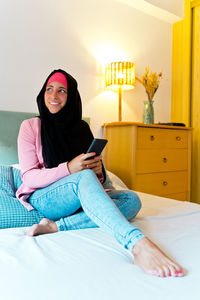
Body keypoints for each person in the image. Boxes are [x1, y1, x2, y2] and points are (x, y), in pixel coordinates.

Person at [16, 69, 184, 278]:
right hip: (46, 197)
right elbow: (29, 176)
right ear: (43, 93)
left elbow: (94, 174)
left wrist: (99, 172)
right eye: (49, 89)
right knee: (84, 178)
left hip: (79, 194)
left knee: (131, 200)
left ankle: (58, 226)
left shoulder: (82, 128)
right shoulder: (30, 126)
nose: (53, 96)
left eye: (61, 91)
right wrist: (69, 168)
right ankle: (137, 244)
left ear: (71, 97)